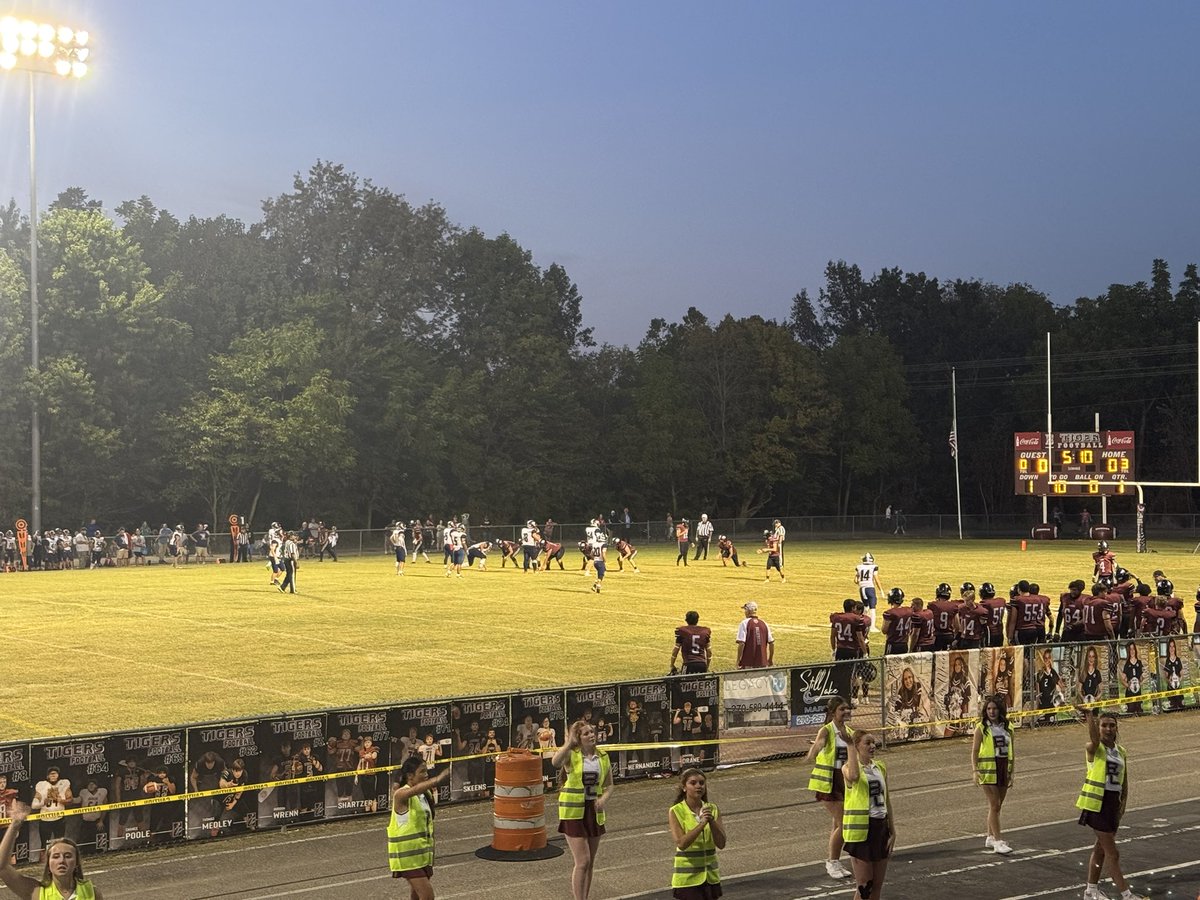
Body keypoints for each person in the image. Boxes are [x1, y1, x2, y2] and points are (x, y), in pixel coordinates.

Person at [1075, 708, 1147, 900]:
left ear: (1117, 728)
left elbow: (1123, 782)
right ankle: (1127, 895)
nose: (1108, 729)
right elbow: (1093, 739)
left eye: (1111, 725)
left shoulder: (1121, 752)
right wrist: (1090, 716)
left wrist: (1121, 806)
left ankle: (1091, 891)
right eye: (1104, 725)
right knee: (1112, 853)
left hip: (1112, 806)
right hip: (1096, 804)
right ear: (1098, 729)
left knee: (1100, 849)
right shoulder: (1095, 749)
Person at [553, 720, 614, 900]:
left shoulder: (602, 756)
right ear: (579, 738)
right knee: (582, 861)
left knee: (590, 863)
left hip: (593, 811)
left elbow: (610, 785)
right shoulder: (572, 755)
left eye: (592, 732)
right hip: (573, 811)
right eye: (586, 733)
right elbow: (555, 762)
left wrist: (603, 799)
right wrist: (568, 743)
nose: (591, 735)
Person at [0, 802, 105, 900]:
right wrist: (14, 826)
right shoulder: (38, 892)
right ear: (48, 864)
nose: (61, 861)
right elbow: (2, 867)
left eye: (68, 856)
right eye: (55, 856)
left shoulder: (91, 892)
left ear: (76, 863)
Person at [801, 697, 854, 880]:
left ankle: (835, 861)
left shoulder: (849, 732)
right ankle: (832, 862)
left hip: (844, 781)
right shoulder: (827, 729)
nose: (846, 712)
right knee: (844, 823)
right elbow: (820, 744)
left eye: (848, 708)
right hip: (829, 781)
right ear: (833, 713)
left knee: (837, 824)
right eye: (842, 709)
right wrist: (812, 753)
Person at [388, 755, 450, 900]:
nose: (426, 775)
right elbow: (412, 791)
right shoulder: (401, 794)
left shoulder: (425, 794)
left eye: (426, 771)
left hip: (422, 855)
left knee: (417, 896)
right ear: (410, 776)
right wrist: (437, 779)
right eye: (422, 772)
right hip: (408, 857)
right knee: (427, 897)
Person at [841, 730, 893, 900]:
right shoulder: (848, 768)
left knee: (877, 885)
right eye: (867, 743)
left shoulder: (880, 767)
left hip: (880, 828)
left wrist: (892, 830)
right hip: (861, 832)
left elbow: (887, 800)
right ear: (857, 746)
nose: (872, 746)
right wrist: (849, 746)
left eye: (873, 743)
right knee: (865, 887)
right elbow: (854, 776)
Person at [668, 768, 726, 899]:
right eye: (693, 783)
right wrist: (702, 824)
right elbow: (681, 843)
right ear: (684, 787)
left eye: (701, 783)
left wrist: (712, 822)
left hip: (710, 878)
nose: (698, 786)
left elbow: (721, 843)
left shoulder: (713, 809)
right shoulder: (676, 811)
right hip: (688, 881)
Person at [972, 696, 1014, 855]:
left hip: (1003, 767)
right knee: (994, 804)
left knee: (997, 806)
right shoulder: (981, 728)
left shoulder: (1008, 727)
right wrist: (975, 770)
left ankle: (990, 836)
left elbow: (1012, 750)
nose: (991, 711)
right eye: (989, 709)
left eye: (994, 708)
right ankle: (998, 841)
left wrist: (1012, 771)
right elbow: (975, 751)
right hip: (988, 769)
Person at [735, 601, 773, 668]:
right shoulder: (764, 623)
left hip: (748, 662)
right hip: (763, 662)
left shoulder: (744, 623)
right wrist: (770, 659)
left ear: (748, 611)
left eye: (745, 610)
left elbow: (741, 643)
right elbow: (771, 643)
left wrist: (738, 660)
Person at [880, 588, 913, 655]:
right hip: (904, 643)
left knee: (889, 664)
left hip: (893, 643)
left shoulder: (889, 613)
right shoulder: (909, 610)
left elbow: (884, 630)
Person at [854, 553, 882, 631]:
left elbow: (856, 581)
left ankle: (862, 623)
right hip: (870, 588)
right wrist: (881, 591)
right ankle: (872, 626)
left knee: (865, 606)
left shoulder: (859, 567)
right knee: (872, 608)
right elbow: (876, 579)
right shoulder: (873, 567)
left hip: (862, 588)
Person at [1119, 642, 1144, 715]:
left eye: (1133, 649)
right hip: (1130, 693)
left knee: (1140, 711)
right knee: (1130, 711)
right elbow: (1122, 679)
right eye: (1130, 649)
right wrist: (1127, 685)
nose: (1132, 651)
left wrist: (1140, 683)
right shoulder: (1127, 664)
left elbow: (1142, 677)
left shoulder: (1139, 663)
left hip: (1138, 692)